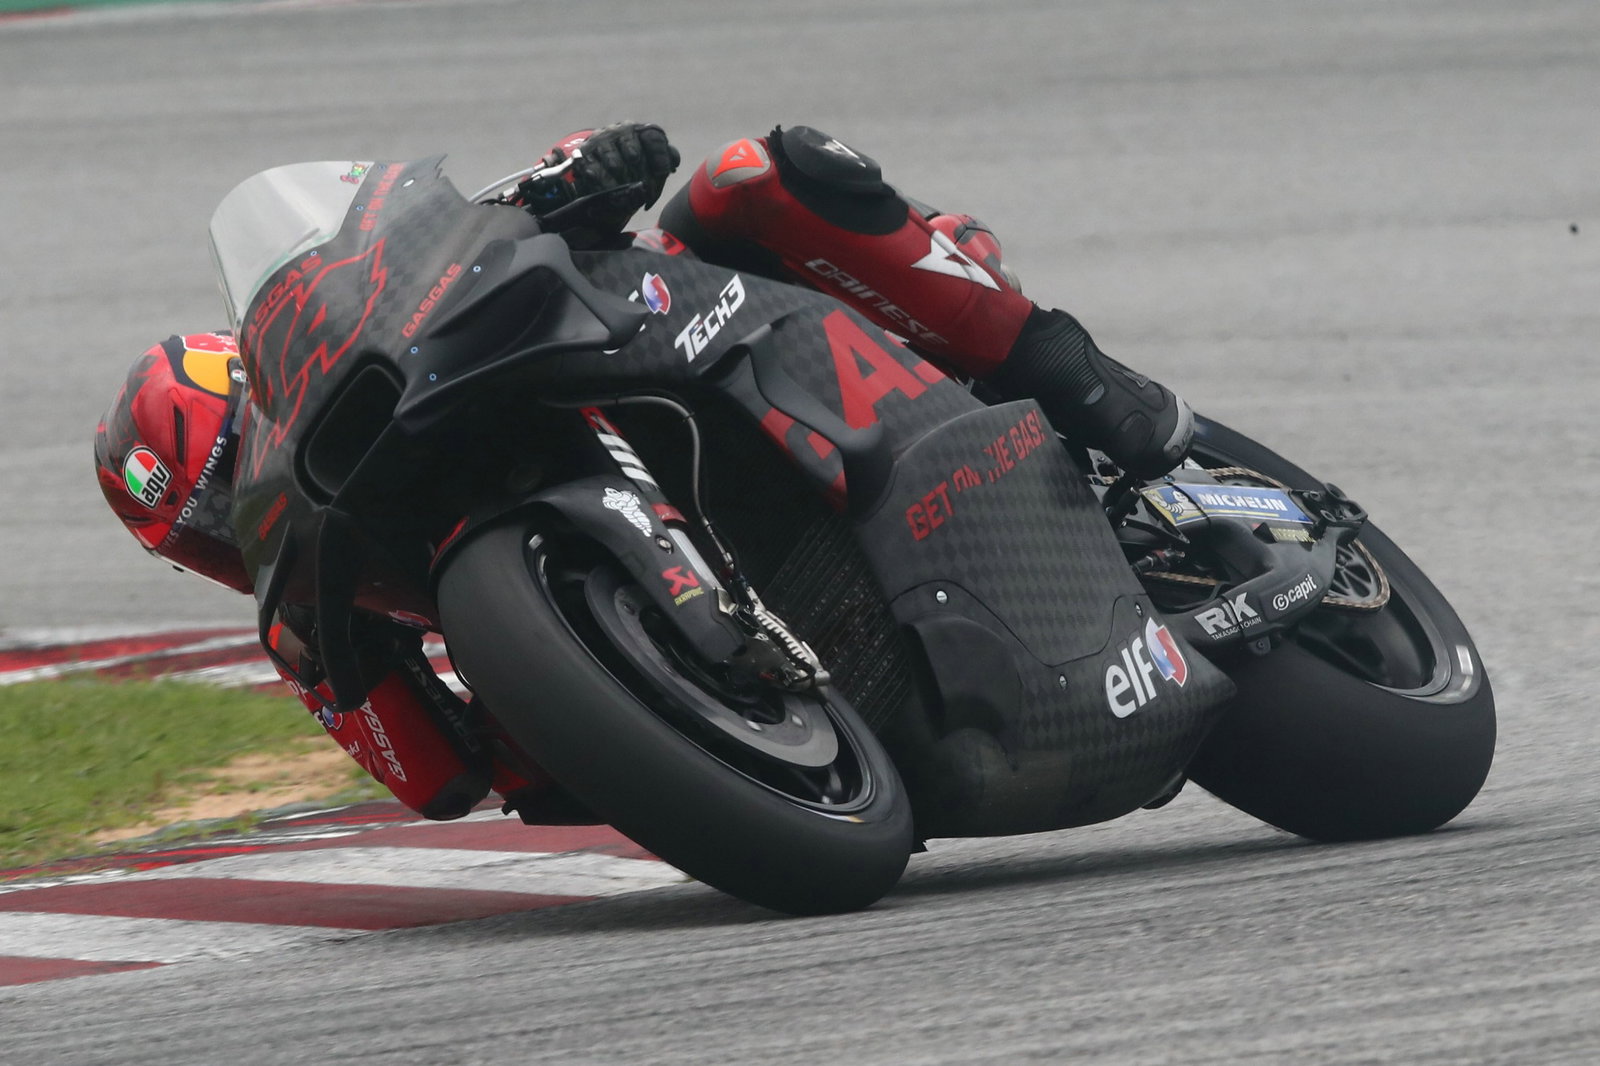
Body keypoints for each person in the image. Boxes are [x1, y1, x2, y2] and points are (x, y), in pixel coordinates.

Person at [93, 122, 1193, 822]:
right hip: (823, 712)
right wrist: (529, 719)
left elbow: (523, 201)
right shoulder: (315, 619)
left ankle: (1086, 380)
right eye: (205, 530)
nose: (233, 519)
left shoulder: (400, 319)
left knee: (745, 182)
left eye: (230, 461)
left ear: (262, 388)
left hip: (707, 339)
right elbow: (437, 780)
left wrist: (574, 173)